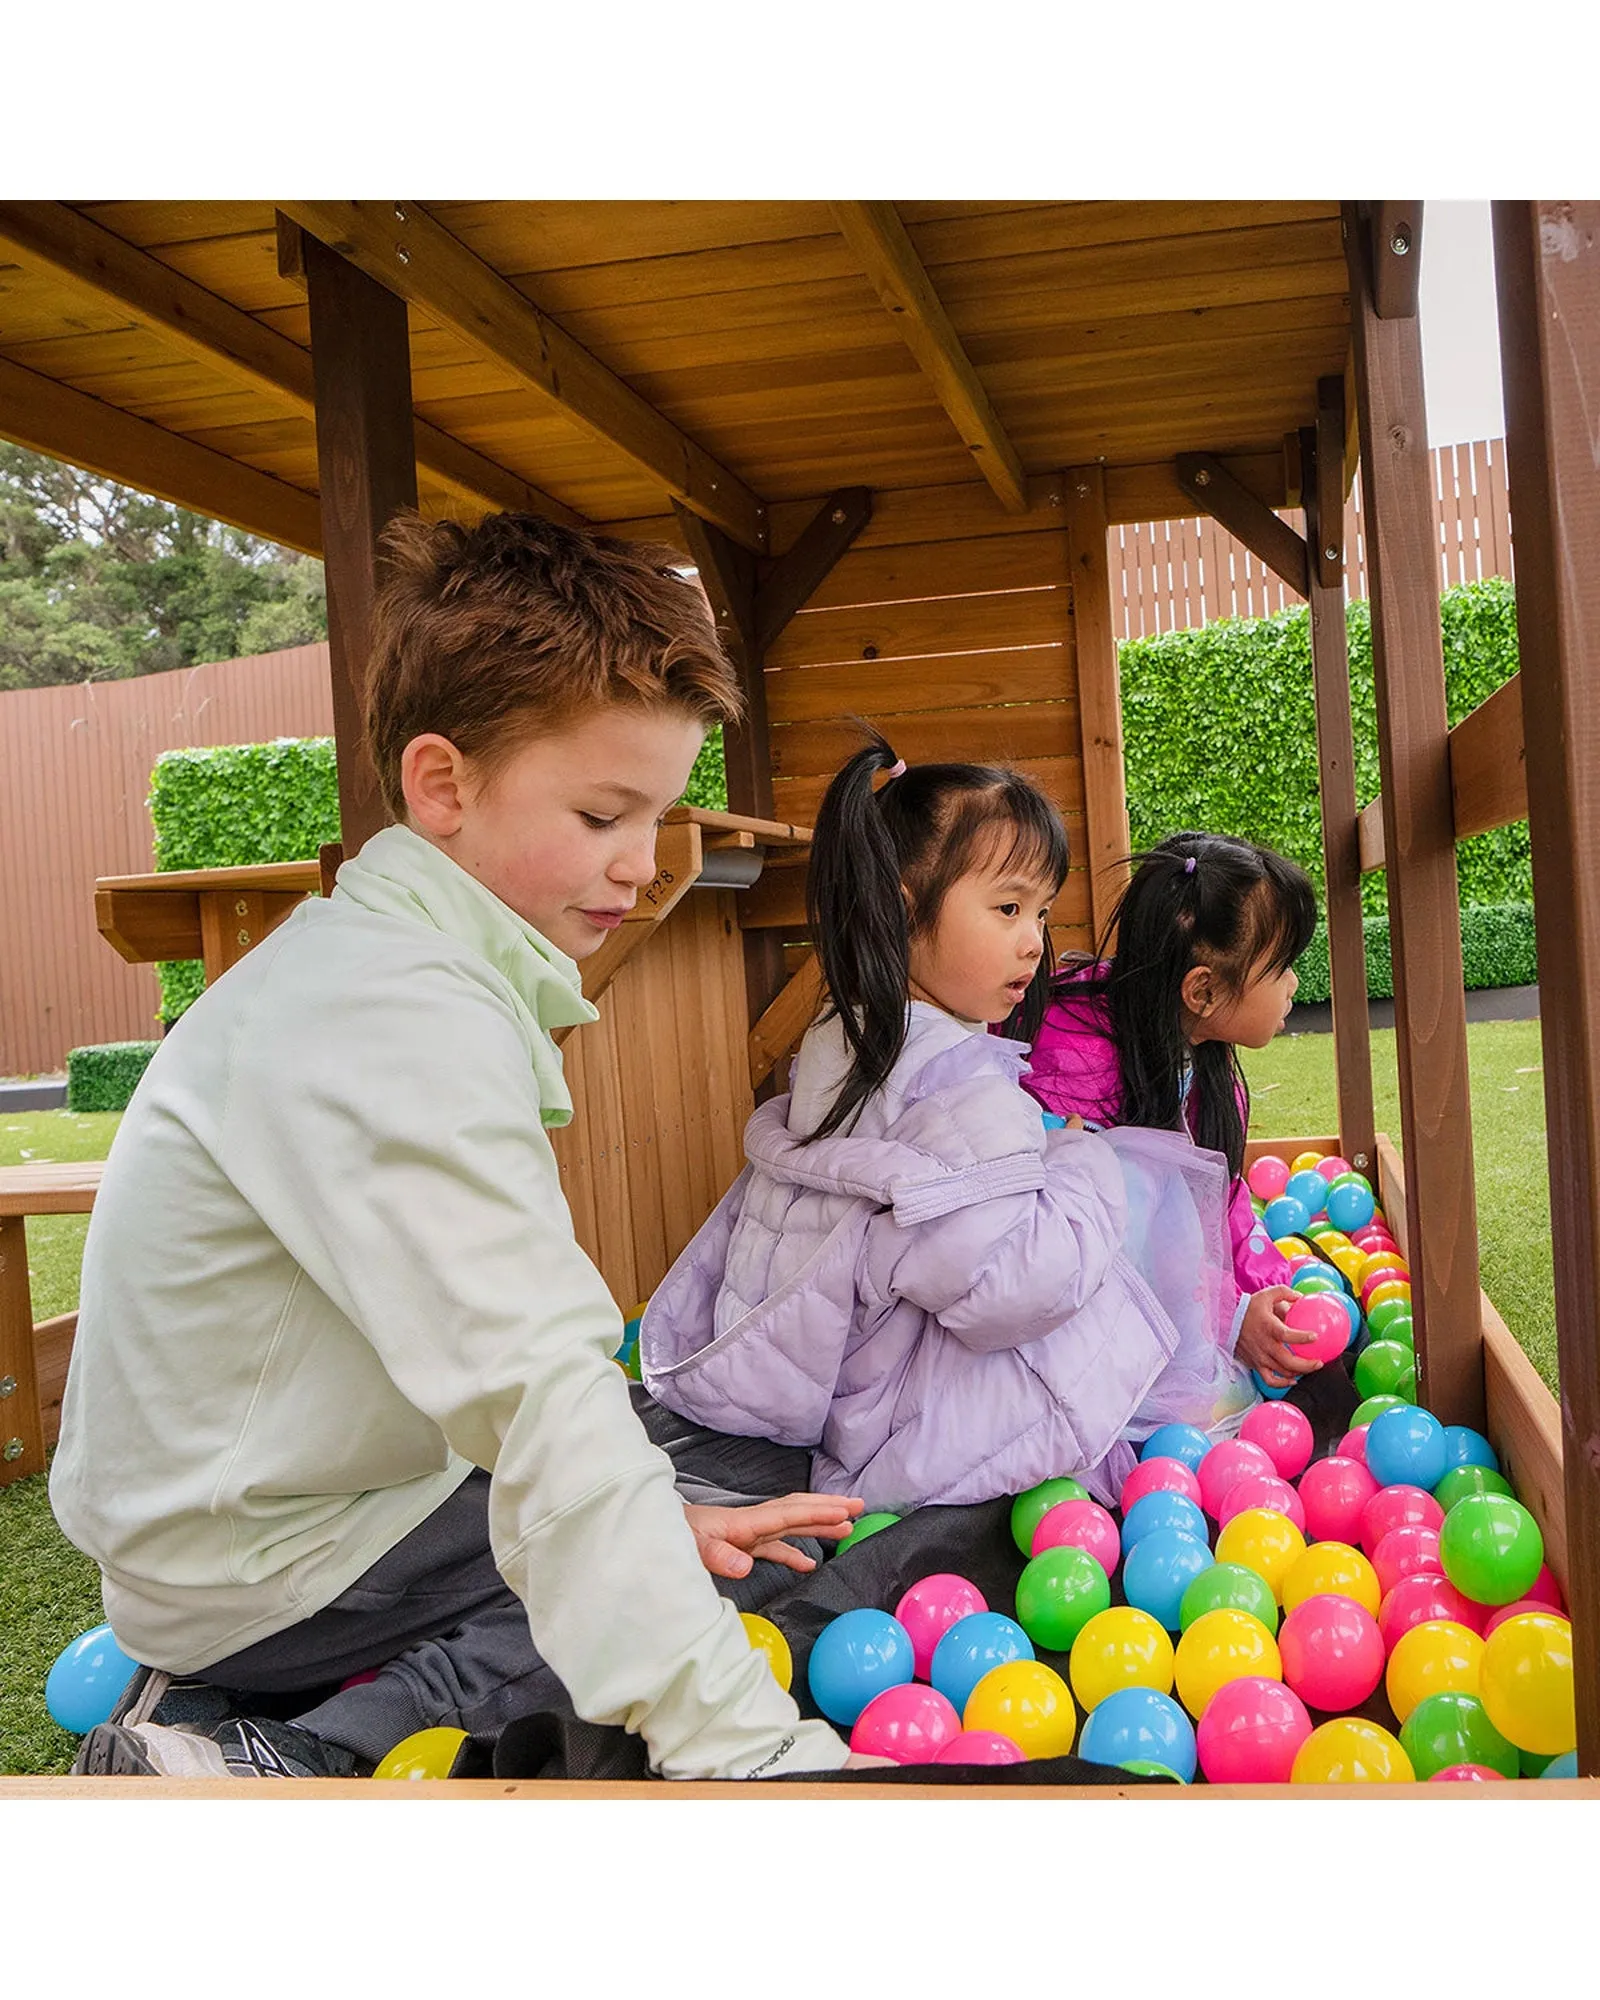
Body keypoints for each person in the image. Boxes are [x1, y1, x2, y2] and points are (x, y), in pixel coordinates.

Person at [51, 511, 875, 1783]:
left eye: (656, 816)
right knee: (650, 1545)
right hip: (250, 1558)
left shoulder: (408, 968)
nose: (643, 865)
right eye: (605, 812)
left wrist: (657, 1515)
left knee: (696, 1482)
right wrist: (751, 1747)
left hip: (289, 1505)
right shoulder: (391, 1014)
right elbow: (536, 1390)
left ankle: (244, 1690)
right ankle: (287, 1752)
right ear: (442, 785)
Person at [639, 739, 1255, 1517]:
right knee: (1133, 1200)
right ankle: (1187, 1402)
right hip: (905, 1427)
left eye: (1040, 911)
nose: (1035, 938)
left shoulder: (848, 1034)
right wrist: (1082, 1157)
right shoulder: (959, 1080)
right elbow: (1023, 1288)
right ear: (902, 909)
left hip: (844, 1379)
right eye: (1007, 908)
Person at [1018, 830, 1321, 1392]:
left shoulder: (1204, 1064)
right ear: (1202, 993)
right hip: (1072, 1329)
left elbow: (1218, 1199)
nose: (1293, 984)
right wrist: (1229, 1316)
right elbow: (1121, 1243)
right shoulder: (1076, 1066)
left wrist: (1265, 1292)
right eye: (1280, 969)